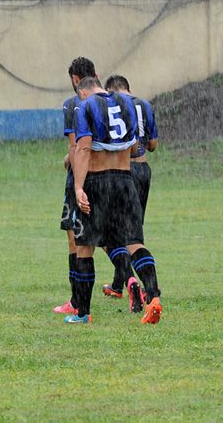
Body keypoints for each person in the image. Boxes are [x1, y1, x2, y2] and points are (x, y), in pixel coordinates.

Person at [70, 76, 163, 325]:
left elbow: (83, 149)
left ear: (82, 91)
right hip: (126, 180)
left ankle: (82, 313)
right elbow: (136, 148)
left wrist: (79, 187)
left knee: (84, 247)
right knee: (134, 242)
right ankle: (153, 296)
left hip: (99, 181)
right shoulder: (128, 104)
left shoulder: (86, 106)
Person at [53, 58, 141, 315]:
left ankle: (77, 302)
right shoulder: (116, 101)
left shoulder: (75, 104)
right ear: (97, 76)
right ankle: (130, 279)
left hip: (85, 179)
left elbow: (77, 146)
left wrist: (72, 167)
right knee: (110, 239)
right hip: (118, 176)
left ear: (76, 80)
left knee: (77, 241)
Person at [103, 74, 158, 297]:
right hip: (144, 171)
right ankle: (118, 284)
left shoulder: (113, 105)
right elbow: (152, 145)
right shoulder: (145, 105)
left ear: (110, 90)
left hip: (123, 172)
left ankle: (141, 285)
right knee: (133, 230)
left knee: (111, 234)